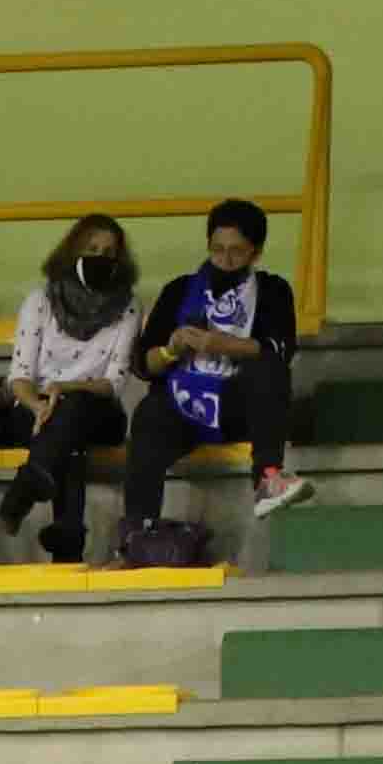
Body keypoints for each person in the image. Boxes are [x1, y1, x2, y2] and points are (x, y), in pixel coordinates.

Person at [122, 200, 311, 534]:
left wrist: (222, 344)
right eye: (217, 249)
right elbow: (144, 365)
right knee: (150, 412)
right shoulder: (179, 290)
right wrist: (170, 349)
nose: (225, 260)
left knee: (268, 370)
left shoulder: (273, 290)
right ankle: (138, 528)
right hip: (184, 403)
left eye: (236, 251)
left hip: (240, 406)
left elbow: (279, 350)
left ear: (256, 252)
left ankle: (268, 479)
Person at [0, 217, 148, 568]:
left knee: (72, 410)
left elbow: (113, 383)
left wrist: (63, 388)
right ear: (72, 251)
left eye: (108, 252)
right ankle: (68, 541)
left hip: (98, 410)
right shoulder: (40, 301)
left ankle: (27, 488)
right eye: (91, 249)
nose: (100, 258)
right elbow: (19, 377)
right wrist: (38, 406)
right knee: (68, 440)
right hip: (37, 409)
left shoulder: (128, 306)